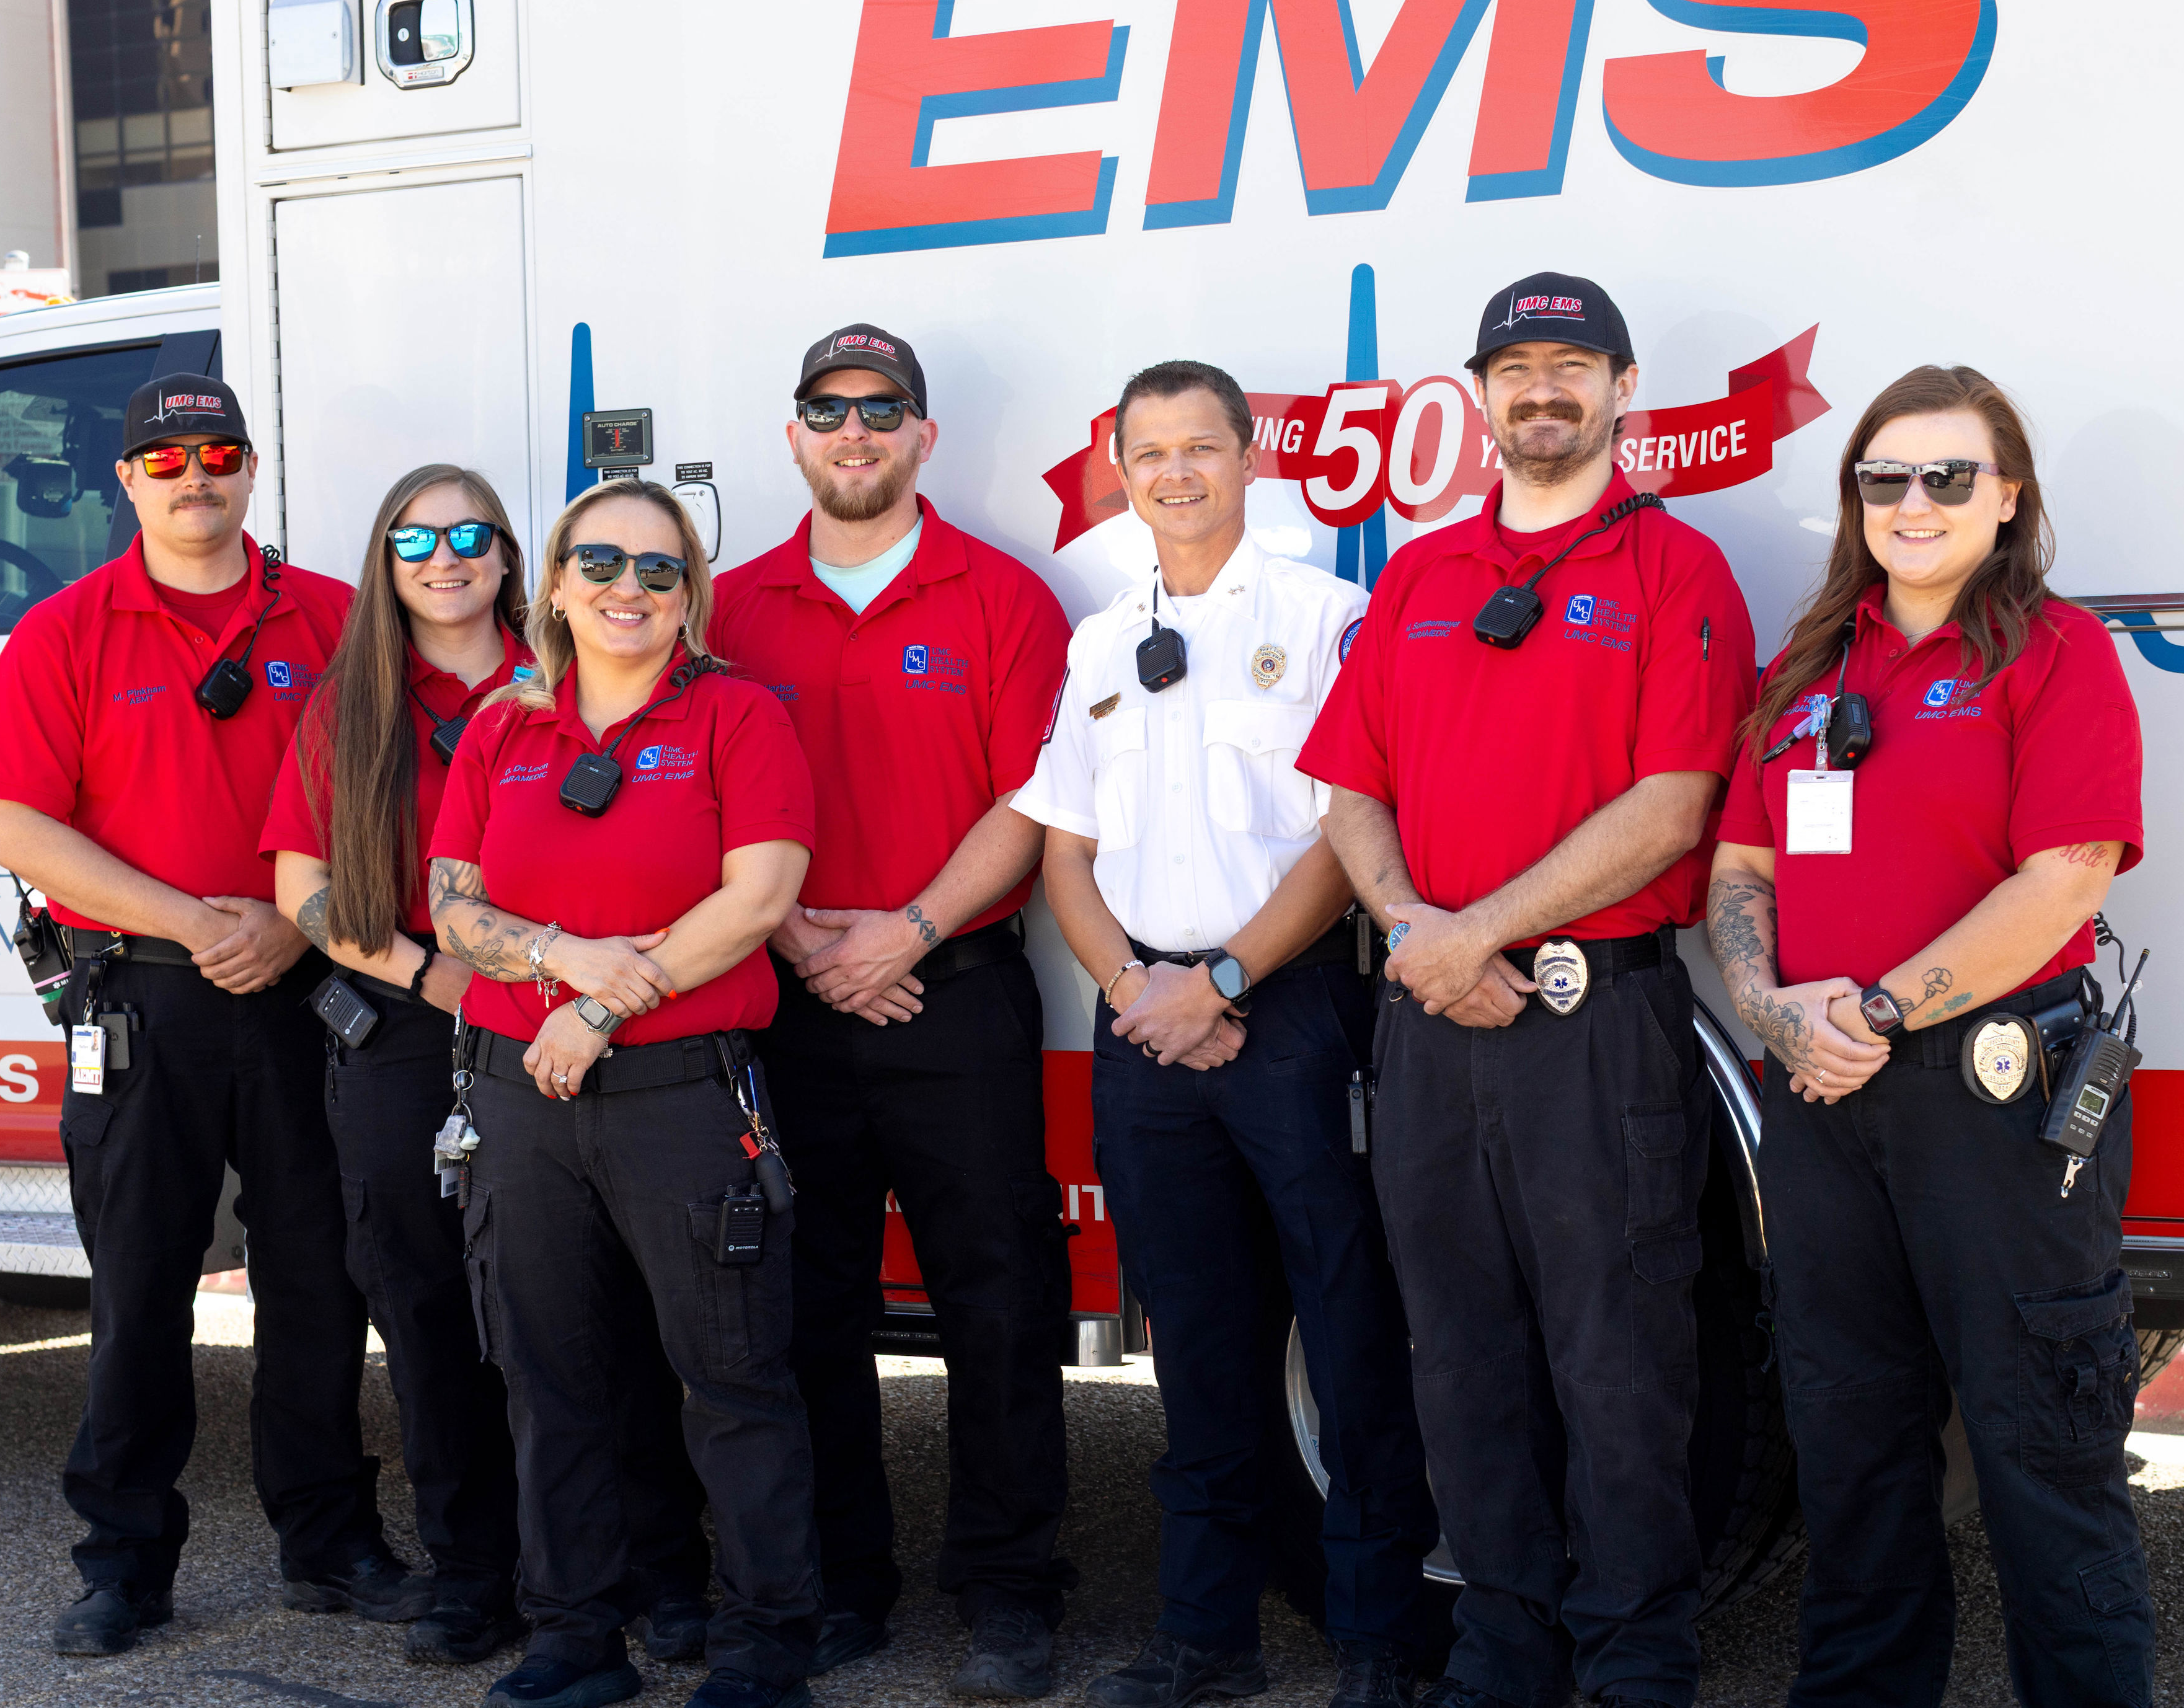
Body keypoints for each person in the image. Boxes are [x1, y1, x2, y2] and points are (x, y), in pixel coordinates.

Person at [1298, 274, 1759, 1708]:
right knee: (1458, 1355)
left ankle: (1632, 1663)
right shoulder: (1420, 577)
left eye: (1570, 364)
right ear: (1479, 395)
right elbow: (1346, 786)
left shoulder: (1674, 571)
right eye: (1514, 368)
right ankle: (1501, 1652)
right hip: (1432, 1025)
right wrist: (1415, 931)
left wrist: (1472, 933)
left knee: (1618, 1360)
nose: (1541, 389)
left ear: (1621, 389)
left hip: (1594, 1027)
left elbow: (1673, 805)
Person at [1705, 366, 2151, 1706]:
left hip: (1996, 1099)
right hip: (1817, 1096)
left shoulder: (2053, 654)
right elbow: (1740, 870)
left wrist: (1880, 1008)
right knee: (1848, 1446)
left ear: (2006, 498)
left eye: (1949, 476)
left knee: (2042, 1447)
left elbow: (2065, 879)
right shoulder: (1805, 668)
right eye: (1884, 476)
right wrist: (1769, 1007)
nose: (1914, 501)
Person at [0, 374, 409, 1656]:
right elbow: (22, 828)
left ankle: (329, 1540)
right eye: (165, 458)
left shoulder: (335, 619)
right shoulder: (66, 630)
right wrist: (197, 922)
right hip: (141, 998)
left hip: (311, 988)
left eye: (217, 453)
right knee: (140, 1287)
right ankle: (123, 1561)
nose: (193, 475)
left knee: (318, 1280)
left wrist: (292, 923)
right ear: (127, 480)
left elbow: (390, 796)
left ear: (252, 468)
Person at [1016, 359, 1441, 1708]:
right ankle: (1204, 1638)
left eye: (1201, 447)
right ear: (1122, 474)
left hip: (1294, 1015)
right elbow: (1064, 852)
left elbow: (1343, 834)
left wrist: (1222, 979)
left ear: (1251, 458)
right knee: (1194, 1343)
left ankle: (1378, 1643)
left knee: (1349, 1331)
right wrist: (1142, 993)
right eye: (1149, 453)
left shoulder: (1326, 619)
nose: (1176, 473)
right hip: (1144, 1031)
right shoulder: (1097, 645)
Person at [263, 464, 712, 1669]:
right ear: (384, 560)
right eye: (415, 539)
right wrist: (438, 978)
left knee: (601, 1310)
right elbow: (301, 889)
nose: (445, 557)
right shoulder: (349, 705)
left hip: (569, 1028)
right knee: (425, 1311)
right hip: (410, 1033)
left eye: (470, 535)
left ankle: (656, 1564)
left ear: (515, 559)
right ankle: (474, 1570)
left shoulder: (572, 681)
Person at [707, 322, 1079, 1697]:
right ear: (792, 435)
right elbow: (701, 798)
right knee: (805, 1304)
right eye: (827, 409)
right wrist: (801, 936)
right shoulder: (728, 608)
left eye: (880, 409)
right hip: (787, 1000)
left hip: (954, 993)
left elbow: (1033, 799)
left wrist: (906, 929)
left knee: (1000, 1297)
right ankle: (839, 1581)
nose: (852, 432)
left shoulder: (1004, 598)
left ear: (923, 434)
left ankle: (1009, 1588)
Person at [427, 476, 821, 1708]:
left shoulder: (738, 716)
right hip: (519, 1098)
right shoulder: (500, 729)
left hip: (682, 1094)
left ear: (690, 597)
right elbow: (451, 907)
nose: (627, 588)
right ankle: (573, 1639)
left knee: (731, 1377)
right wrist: (559, 954)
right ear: (553, 585)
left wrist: (599, 1005)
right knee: (549, 1380)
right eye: (599, 562)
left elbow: (758, 897)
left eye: (659, 569)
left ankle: (765, 1647)